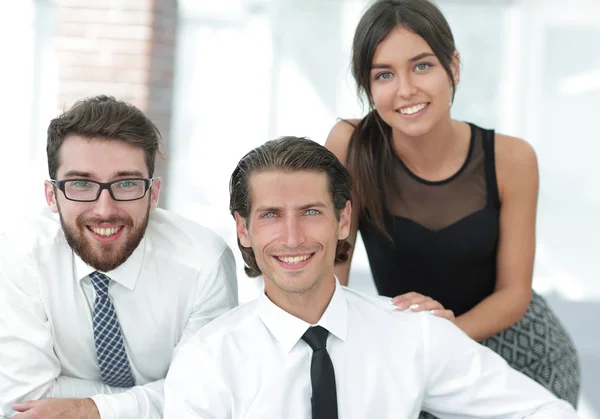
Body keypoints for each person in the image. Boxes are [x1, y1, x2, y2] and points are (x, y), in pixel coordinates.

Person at [163, 136, 579, 419]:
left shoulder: (413, 334)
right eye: (271, 215)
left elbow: (542, 412)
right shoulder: (207, 361)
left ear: (343, 220)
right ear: (243, 228)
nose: (292, 238)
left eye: (311, 212)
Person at [324, 0, 580, 411]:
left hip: (519, 354)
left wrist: (439, 341)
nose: (406, 89)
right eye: (384, 74)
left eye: (422, 66)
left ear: (453, 67)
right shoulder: (351, 147)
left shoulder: (512, 159)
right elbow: (332, 277)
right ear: (368, 87)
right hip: (415, 356)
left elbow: (514, 293)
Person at [0, 95, 238, 419]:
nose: (104, 210)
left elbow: (205, 399)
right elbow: (22, 403)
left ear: (153, 194)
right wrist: (159, 395)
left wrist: (90, 410)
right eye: (81, 184)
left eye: (126, 183)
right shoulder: (20, 256)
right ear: (51, 196)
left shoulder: (204, 264)